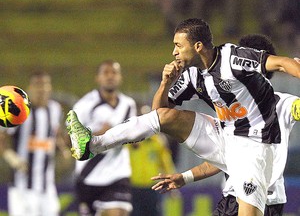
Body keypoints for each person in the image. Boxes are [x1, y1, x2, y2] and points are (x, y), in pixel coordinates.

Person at [66, 18, 300, 215]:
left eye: (178, 45)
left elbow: (281, 64)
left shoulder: (231, 58)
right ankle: (93, 144)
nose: (174, 52)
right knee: (166, 117)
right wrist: (165, 84)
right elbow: (159, 115)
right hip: (226, 138)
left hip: (255, 149)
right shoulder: (192, 77)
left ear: (198, 46)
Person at [151, 34, 300, 216]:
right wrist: (185, 177)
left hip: (258, 198)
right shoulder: (232, 107)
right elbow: (224, 157)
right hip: (242, 197)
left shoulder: (283, 103)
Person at [72, 59, 137, 216]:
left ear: (120, 77)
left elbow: (133, 136)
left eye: (114, 72)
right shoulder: (84, 106)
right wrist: (100, 135)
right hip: (89, 176)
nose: (110, 76)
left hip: (118, 174)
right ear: (98, 78)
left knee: (118, 212)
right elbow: (74, 142)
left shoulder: (129, 105)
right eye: (105, 73)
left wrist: (135, 138)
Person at [0, 71, 68, 216]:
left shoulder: (54, 109)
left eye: (45, 85)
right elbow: (1, 140)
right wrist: (12, 158)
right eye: (37, 85)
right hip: (21, 187)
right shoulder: (18, 111)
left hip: (47, 186)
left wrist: (62, 149)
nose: (42, 89)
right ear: (29, 88)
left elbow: (55, 134)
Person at [128, 104, 177, 216]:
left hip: (152, 187)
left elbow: (166, 163)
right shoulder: (128, 140)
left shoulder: (157, 141)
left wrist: (172, 183)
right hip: (132, 188)